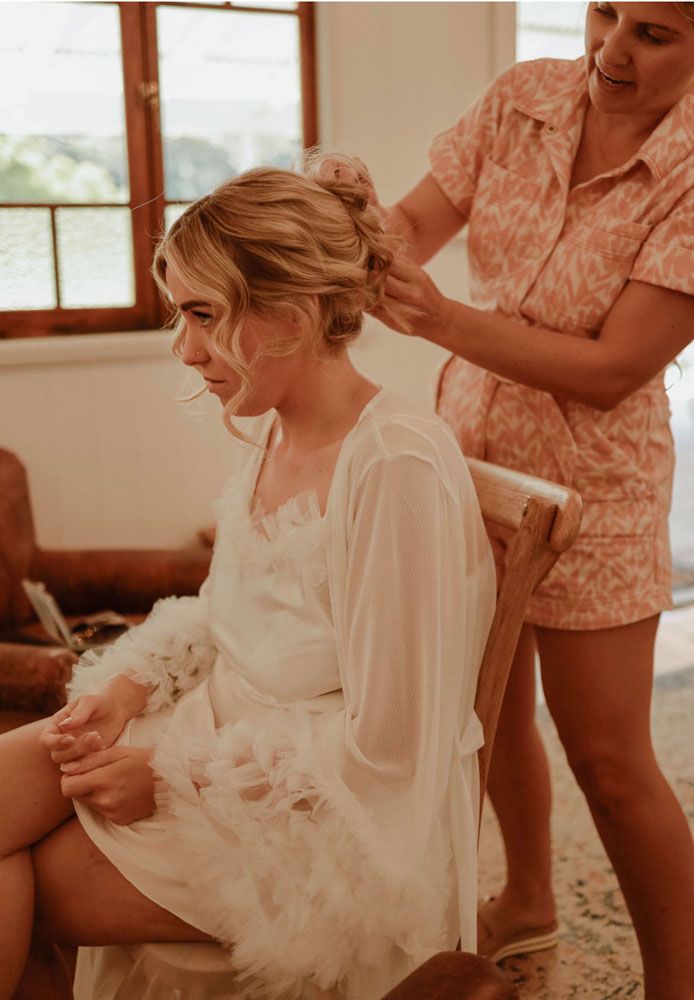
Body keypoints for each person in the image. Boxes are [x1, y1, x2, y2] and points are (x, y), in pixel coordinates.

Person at [0, 157, 497, 1000]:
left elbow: (390, 747)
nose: (185, 348)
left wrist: (168, 774)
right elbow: (233, 612)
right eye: (179, 315)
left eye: (203, 314)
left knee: (26, 877)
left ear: (294, 316)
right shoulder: (275, 431)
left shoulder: (394, 463)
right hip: (223, 734)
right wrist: (128, 687)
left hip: (331, 814)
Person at [345, 4, 694, 998]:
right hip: (471, 454)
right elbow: (417, 224)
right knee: (484, 704)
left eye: (653, 33)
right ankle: (530, 898)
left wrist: (442, 319)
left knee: (610, 763)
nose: (609, 48)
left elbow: (613, 369)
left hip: (598, 485)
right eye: (604, 10)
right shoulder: (524, 98)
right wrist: (359, 228)